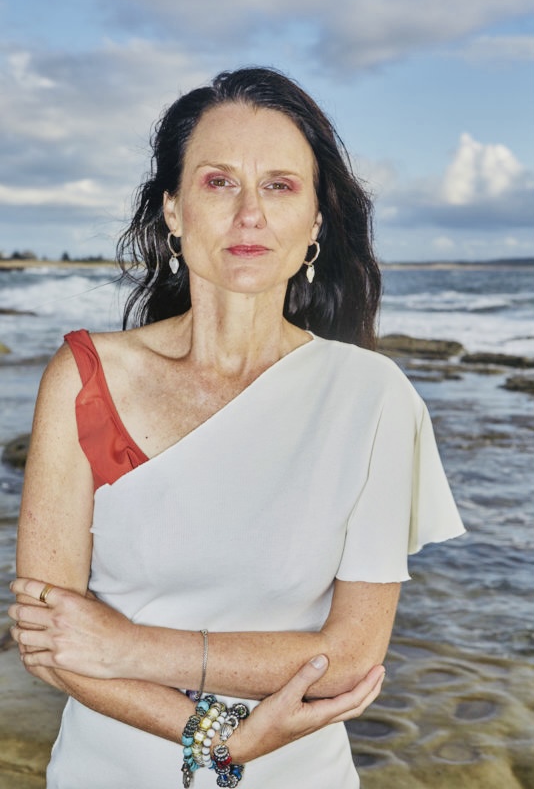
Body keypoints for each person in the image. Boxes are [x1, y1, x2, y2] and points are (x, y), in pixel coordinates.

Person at [9, 67, 465, 788]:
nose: (249, 213)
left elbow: (351, 656)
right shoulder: (85, 378)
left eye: (279, 186)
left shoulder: (374, 399)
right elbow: (46, 641)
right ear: (174, 209)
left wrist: (126, 647)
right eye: (219, 182)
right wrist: (220, 736)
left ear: (315, 222)